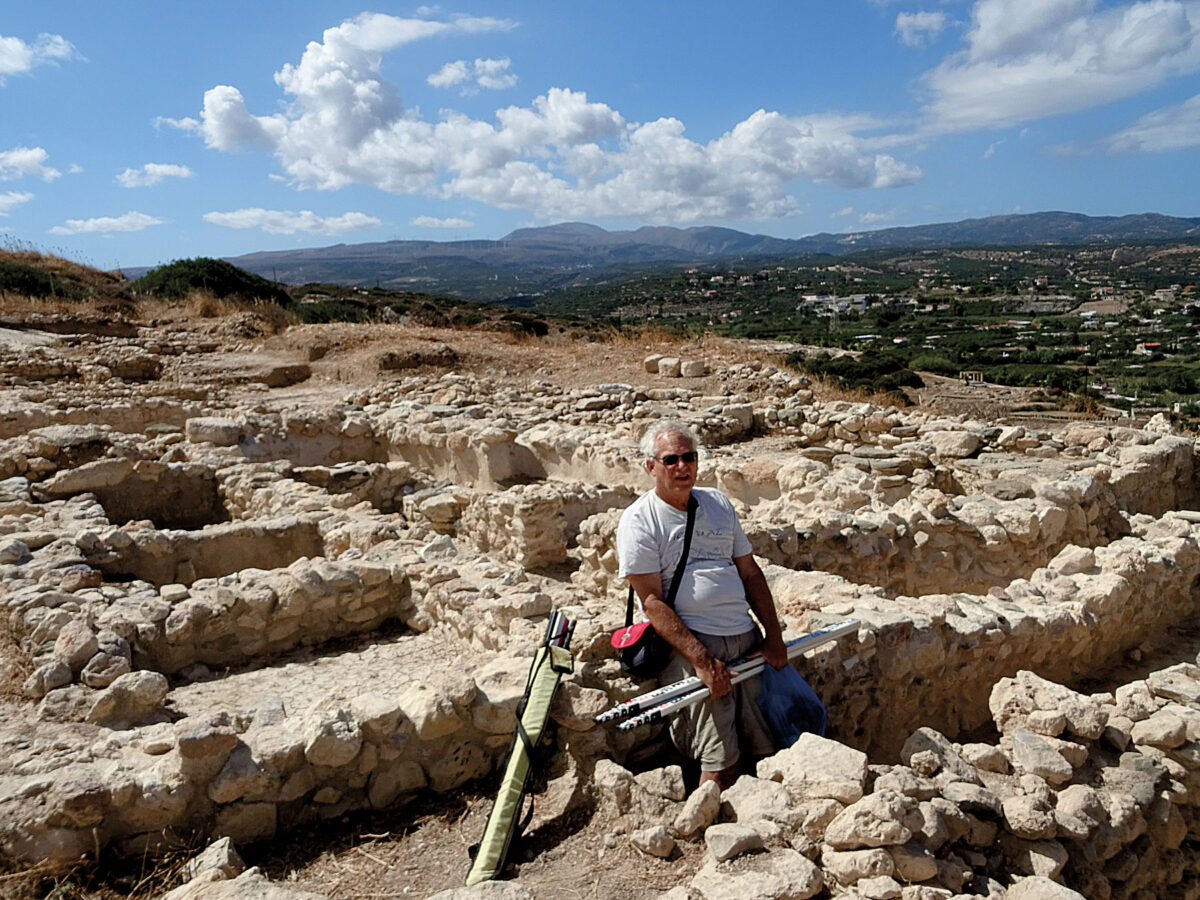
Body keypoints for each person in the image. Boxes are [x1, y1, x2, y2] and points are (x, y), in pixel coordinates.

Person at [616, 419, 787, 788]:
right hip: (694, 644)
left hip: (744, 638)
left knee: (762, 741)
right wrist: (701, 660)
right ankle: (709, 825)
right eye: (671, 459)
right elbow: (651, 602)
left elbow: (750, 573)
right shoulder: (639, 520)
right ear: (651, 466)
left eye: (689, 457)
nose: (682, 466)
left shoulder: (718, 503)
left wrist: (772, 634)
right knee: (719, 755)